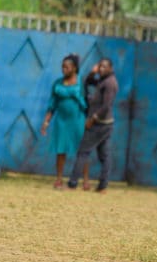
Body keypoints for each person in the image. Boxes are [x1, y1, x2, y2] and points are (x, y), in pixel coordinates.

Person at [66, 58, 118, 193]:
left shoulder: (110, 83)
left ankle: (72, 183)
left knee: (83, 152)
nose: (101, 69)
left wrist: (92, 119)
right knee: (104, 155)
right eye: (100, 66)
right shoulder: (102, 80)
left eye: (104, 67)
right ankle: (102, 186)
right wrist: (91, 73)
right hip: (104, 124)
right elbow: (88, 82)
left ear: (111, 68)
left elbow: (106, 106)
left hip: (99, 124)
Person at [40, 54, 90, 190]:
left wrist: (89, 119)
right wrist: (46, 122)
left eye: (67, 67)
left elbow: (88, 102)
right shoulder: (57, 83)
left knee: (82, 151)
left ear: (74, 68)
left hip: (78, 121)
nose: (63, 69)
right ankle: (59, 179)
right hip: (62, 121)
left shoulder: (81, 82)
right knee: (60, 150)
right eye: (62, 67)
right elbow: (52, 104)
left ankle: (85, 181)